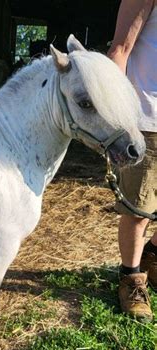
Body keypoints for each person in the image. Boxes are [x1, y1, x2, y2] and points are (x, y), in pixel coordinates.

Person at [108, 0, 156, 322]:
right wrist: (115, 119)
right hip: (147, 118)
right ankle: (132, 277)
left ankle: (154, 257)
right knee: (140, 207)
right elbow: (120, 51)